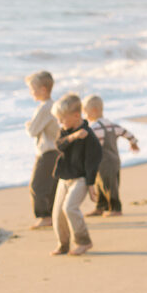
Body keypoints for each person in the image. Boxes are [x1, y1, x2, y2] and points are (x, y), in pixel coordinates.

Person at [50, 93, 102, 256]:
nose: (60, 123)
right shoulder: (64, 131)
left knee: (70, 207)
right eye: (58, 119)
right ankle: (63, 244)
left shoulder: (89, 136)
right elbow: (59, 145)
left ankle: (83, 241)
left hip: (80, 179)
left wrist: (91, 184)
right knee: (57, 213)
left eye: (62, 119)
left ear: (76, 115)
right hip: (64, 178)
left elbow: (93, 160)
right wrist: (73, 137)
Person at [83, 94, 140, 217]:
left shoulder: (94, 128)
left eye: (84, 111)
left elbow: (86, 144)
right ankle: (101, 207)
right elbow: (127, 133)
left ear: (93, 111)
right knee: (101, 184)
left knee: (109, 186)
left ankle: (115, 208)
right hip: (114, 160)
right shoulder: (112, 125)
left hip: (104, 161)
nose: (84, 115)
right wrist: (133, 143)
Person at [24, 71, 61, 229]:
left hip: (48, 151)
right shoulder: (53, 105)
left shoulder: (45, 108)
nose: (31, 92)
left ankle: (44, 215)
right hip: (57, 150)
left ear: (44, 89)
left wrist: (28, 125)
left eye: (33, 89)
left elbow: (32, 131)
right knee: (51, 184)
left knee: (38, 185)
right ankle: (52, 214)